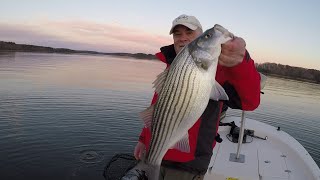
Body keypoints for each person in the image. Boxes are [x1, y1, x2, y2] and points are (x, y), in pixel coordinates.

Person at [133, 14, 261, 180]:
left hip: (188, 166)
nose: (183, 38)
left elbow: (250, 102)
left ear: (199, 37)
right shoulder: (171, 68)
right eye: (177, 34)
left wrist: (240, 61)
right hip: (155, 152)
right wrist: (144, 139)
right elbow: (159, 110)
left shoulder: (220, 72)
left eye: (190, 33)